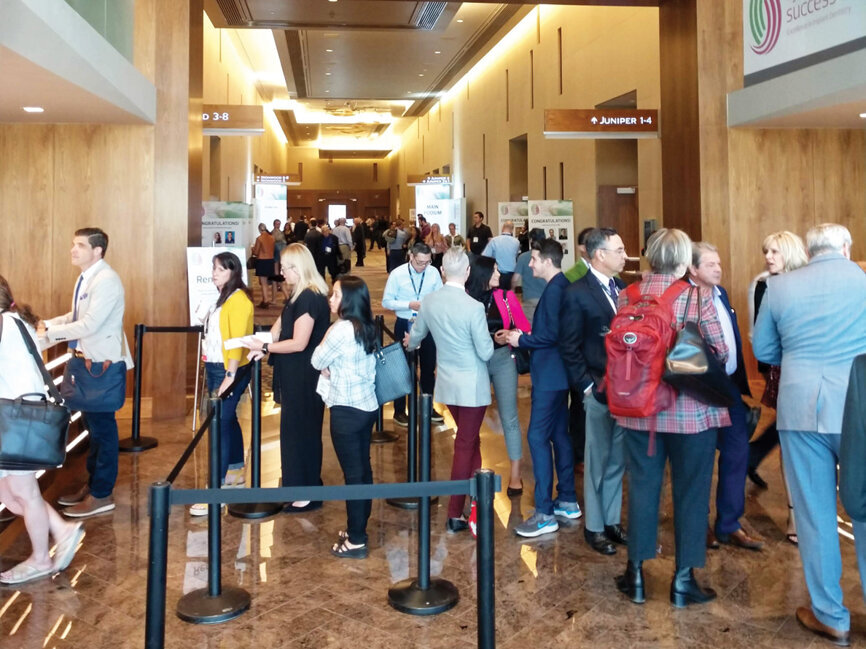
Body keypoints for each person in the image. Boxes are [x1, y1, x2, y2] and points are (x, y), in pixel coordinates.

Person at [753, 223, 866, 646]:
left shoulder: (780, 287)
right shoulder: (863, 281)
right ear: (846, 247)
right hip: (858, 408)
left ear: (810, 249)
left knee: (815, 516)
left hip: (800, 407)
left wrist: (802, 357)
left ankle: (831, 616)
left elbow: (764, 351)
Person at [613, 228, 729, 608]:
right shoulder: (696, 295)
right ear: (683, 261)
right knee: (691, 492)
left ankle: (636, 576)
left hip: (639, 412)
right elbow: (721, 351)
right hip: (690, 413)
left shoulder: (627, 295)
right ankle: (683, 579)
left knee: (643, 489)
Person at [41, 227, 133, 518]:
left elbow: (89, 325)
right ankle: (94, 486)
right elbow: (76, 317)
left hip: (101, 367)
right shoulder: (88, 277)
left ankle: (102, 494)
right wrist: (46, 325)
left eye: (80, 245)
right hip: (87, 364)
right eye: (73, 244)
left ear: (98, 251)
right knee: (94, 430)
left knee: (103, 431)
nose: (73, 250)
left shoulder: (106, 280)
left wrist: (50, 333)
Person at [0, 277, 85, 584]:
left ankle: (40, 560)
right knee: (10, 496)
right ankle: (63, 530)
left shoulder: (5, 324)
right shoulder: (15, 321)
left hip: (14, 421)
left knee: (23, 493)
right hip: (16, 419)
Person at [406, 248, 494, 532]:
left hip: (446, 382)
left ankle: (481, 501)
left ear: (442, 271)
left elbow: (415, 339)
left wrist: (410, 340)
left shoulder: (429, 302)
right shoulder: (474, 307)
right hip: (472, 386)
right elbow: (486, 351)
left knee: (470, 441)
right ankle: (455, 511)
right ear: (467, 272)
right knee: (465, 444)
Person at [688, 242, 762, 551]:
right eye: (710, 265)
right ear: (693, 270)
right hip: (698, 388)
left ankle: (729, 523)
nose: (718, 269)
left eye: (719, 263)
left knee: (736, 451)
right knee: (701, 459)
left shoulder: (722, 294)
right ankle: (697, 525)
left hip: (729, 386)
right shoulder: (686, 299)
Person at [246, 243, 330, 512]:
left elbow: (298, 343)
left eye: (285, 268)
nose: (281, 273)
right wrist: (258, 343)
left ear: (298, 268)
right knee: (295, 432)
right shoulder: (298, 295)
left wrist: (266, 347)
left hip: (305, 376)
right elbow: (278, 328)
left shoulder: (309, 297)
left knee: (301, 432)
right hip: (296, 374)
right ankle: (299, 486)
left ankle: (305, 492)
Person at [559, 228, 628, 556]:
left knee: (617, 460)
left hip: (625, 391)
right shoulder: (577, 292)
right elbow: (569, 345)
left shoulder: (624, 289)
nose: (624, 256)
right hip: (597, 389)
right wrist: (585, 386)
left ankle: (612, 520)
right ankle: (595, 527)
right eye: (619, 250)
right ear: (599, 255)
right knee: (597, 461)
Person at [505, 239, 579, 538]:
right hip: (559, 374)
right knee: (560, 435)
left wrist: (519, 340)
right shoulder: (564, 286)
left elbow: (549, 336)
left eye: (534, 259)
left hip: (549, 375)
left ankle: (545, 512)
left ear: (548, 261)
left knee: (537, 436)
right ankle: (568, 499)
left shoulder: (554, 291)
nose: (530, 263)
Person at [311, 276, 378, 558]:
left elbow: (316, 359)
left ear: (348, 300)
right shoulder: (367, 326)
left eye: (336, 294)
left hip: (346, 411)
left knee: (353, 475)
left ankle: (357, 539)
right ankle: (356, 528)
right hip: (367, 406)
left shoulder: (340, 329)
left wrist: (327, 363)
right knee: (362, 470)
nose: (330, 299)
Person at [189, 252, 254, 516]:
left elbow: (237, 341)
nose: (214, 273)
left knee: (219, 425)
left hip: (229, 369)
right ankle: (235, 474)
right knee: (226, 422)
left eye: (220, 269)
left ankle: (215, 489)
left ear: (233, 272)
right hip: (219, 367)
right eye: (213, 268)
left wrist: (229, 375)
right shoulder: (223, 298)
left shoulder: (238, 300)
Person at [466, 256, 528, 495]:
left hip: (502, 360)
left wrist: (510, 334)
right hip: (475, 362)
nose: (499, 273)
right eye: (493, 269)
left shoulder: (506, 297)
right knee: (473, 418)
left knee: (510, 416)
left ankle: (515, 474)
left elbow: (524, 327)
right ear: (481, 273)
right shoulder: (466, 298)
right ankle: (474, 470)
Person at [381, 242, 444, 426]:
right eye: (419, 262)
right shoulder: (398, 274)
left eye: (426, 262)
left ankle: (428, 406)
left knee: (428, 366)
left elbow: (440, 296)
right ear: (411, 257)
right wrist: (409, 304)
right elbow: (387, 301)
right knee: (402, 368)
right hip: (404, 322)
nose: (423, 266)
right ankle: (400, 410)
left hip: (427, 324)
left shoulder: (433, 273)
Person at [512, 228, 547, 323]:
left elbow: (515, 279)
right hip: (547, 299)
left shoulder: (523, 257)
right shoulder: (548, 256)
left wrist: (512, 291)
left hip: (530, 300)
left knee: (530, 330)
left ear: (530, 240)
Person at [482, 219, 520, 290]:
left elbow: (485, 256)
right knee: (508, 295)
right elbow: (516, 256)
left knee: (497, 296)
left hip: (497, 274)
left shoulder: (494, 241)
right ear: (512, 230)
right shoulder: (517, 242)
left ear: (502, 228)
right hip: (511, 274)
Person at [251, 223, 276, 308]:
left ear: (259, 229)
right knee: (268, 282)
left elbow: (256, 252)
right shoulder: (272, 238)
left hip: (262, 261)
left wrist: (252, 248)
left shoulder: (259, 238)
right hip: (270, 260)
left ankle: (265, 301)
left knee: (263, 282)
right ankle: (265, 299)